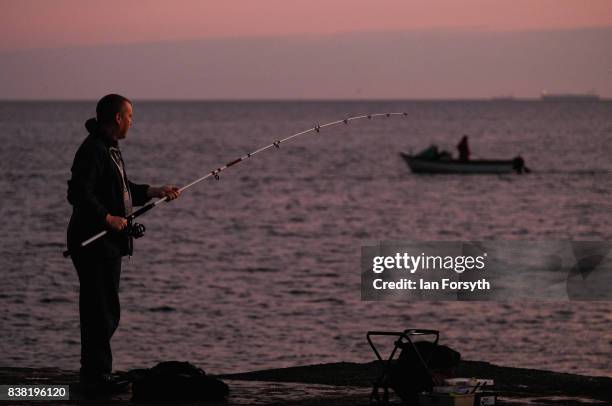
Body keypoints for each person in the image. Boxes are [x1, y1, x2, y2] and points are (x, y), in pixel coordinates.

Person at [67, 94, 180, 389]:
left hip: (108, 244)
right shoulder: (93, 149)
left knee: (106, 308)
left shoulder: (110, 148)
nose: (132, 121)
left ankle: (98, 371)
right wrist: (108, 219)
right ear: (117, 118)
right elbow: (78, 192)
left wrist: (156, 190)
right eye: (130, 116)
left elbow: (123, 190)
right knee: (99, 309)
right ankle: (96, 376)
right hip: (94, 242)